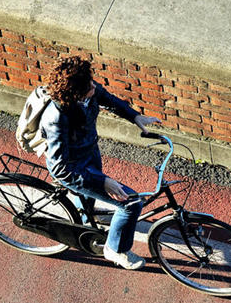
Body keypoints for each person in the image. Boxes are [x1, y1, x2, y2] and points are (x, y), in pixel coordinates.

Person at [39, 56, 161, 269]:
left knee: (90, 196)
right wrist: (102, 181)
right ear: (75, 92)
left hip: (90, 152)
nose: (94, 86)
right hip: (73, 167)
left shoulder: (86, 91)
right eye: (89, 85)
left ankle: (86, 217)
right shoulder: (56, 118)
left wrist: (135, 117)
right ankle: (115, 250)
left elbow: (109, 99)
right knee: (131, 203)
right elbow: (61, 167)